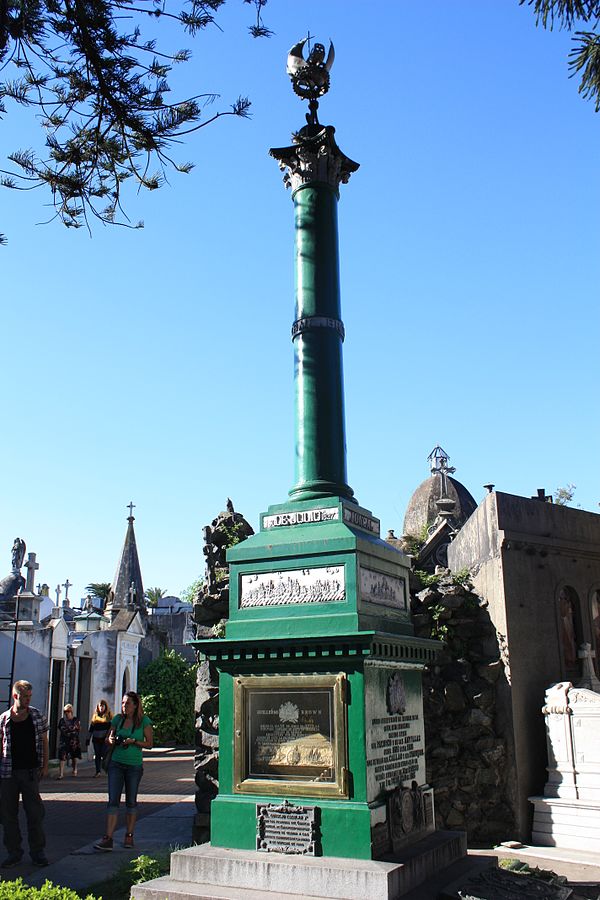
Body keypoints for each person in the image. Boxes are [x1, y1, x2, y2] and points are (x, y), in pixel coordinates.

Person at [94, 691, 153, 851]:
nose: (124, 706)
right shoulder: (117, 719)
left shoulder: (143, 721)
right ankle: (108, 838)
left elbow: (149, 743)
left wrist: (134, 741)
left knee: (131, 801)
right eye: (122, 703)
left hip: (134, 765)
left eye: (127, 703)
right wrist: (111, 739)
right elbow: (109, 737)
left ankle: (129, 835)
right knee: (113, 800)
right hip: (116, 763)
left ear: (135, 705)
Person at [0, 679, 49, 868]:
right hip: (8, 772)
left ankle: (38, 851)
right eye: (24, 697)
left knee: (35, 813)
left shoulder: (36, 716)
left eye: (29, 697)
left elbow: (44, 741)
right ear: (15, 696)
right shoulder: (4, 719)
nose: (28, 700)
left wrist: (44, 765)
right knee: (8, 814)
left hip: (30, 772)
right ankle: (14, 852)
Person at [87, 699, 113, 777]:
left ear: (105, 707)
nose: (101, 708)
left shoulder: (108, 717)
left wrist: (109, 737)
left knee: (104, 754)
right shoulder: (95, 717)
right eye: (100, 706)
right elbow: (91, 729)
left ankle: (106, 768)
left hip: (105, 739)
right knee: (97, 755)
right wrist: (88, 739)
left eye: (103, 706)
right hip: (96, 739)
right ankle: (97, 771)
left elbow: (111, 729)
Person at [56, 704, 82, 778]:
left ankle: (75, 769)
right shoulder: (62, 720)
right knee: (62, 756)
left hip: (73, 740)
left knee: (74, 756)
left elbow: (78, 729)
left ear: (71, 711)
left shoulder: (75, 720)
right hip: (64, 740)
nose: (66, 713)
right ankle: (61, 774)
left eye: (68, 711)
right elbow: (61, 728)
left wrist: (72, 730)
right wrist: (70, 730)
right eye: (65, 711)